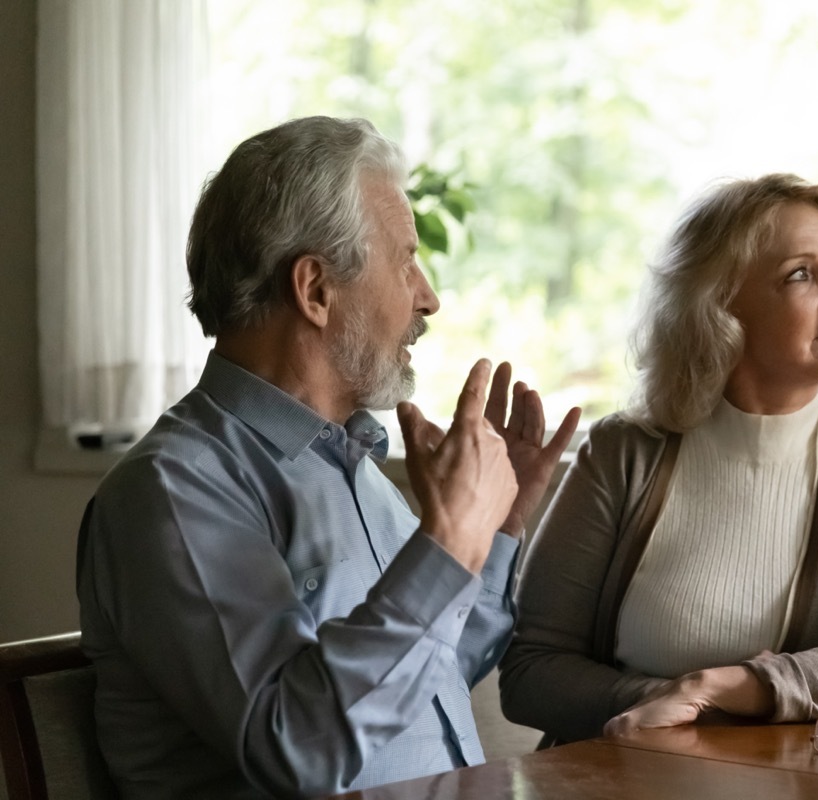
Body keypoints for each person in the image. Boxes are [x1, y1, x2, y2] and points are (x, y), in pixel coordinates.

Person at [75, 115, 580, 798]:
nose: (428, 297)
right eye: (405, 261)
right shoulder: (170, 491)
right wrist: (450, 540)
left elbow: (421, 683)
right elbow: (299, 747)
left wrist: (491, 532)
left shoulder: (355, 470)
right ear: (315, 290)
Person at [498, 173, 818, 745]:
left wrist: (713, 688)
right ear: (719, 308)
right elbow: (531, 672)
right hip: (615, 780)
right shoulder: (623, 451)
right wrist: (665, 701)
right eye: (800, 274)